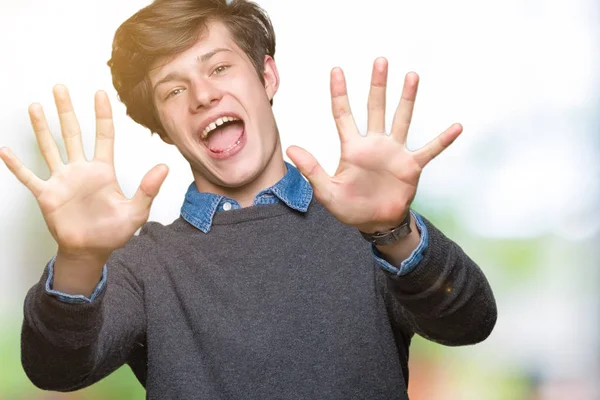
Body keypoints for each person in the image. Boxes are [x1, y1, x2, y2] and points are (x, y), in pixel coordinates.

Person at [0, 0, 497, 398]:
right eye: (173, 91)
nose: (202, 95)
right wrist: (80, 259)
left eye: (218, 67)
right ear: (162, 129)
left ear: (267, 77)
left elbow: (470, 322)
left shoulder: (369, 228)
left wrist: (394, 231)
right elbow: (55, 369)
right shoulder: (144, 267)